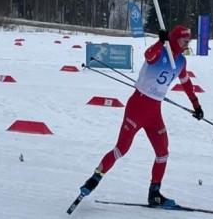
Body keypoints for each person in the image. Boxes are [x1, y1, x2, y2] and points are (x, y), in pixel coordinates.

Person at [79, 25, 204, 207]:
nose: (187, 45)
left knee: (163, 153)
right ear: (175, 39)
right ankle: (94, 179)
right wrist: (160, 42)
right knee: (121, 149)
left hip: (155, 111)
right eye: (184, 41)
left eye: (188, 42)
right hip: (137, 106)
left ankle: (154, 193)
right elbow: (148, 56)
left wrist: (196, 105)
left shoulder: (181, 62)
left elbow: (185, 82)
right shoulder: (160, 51)